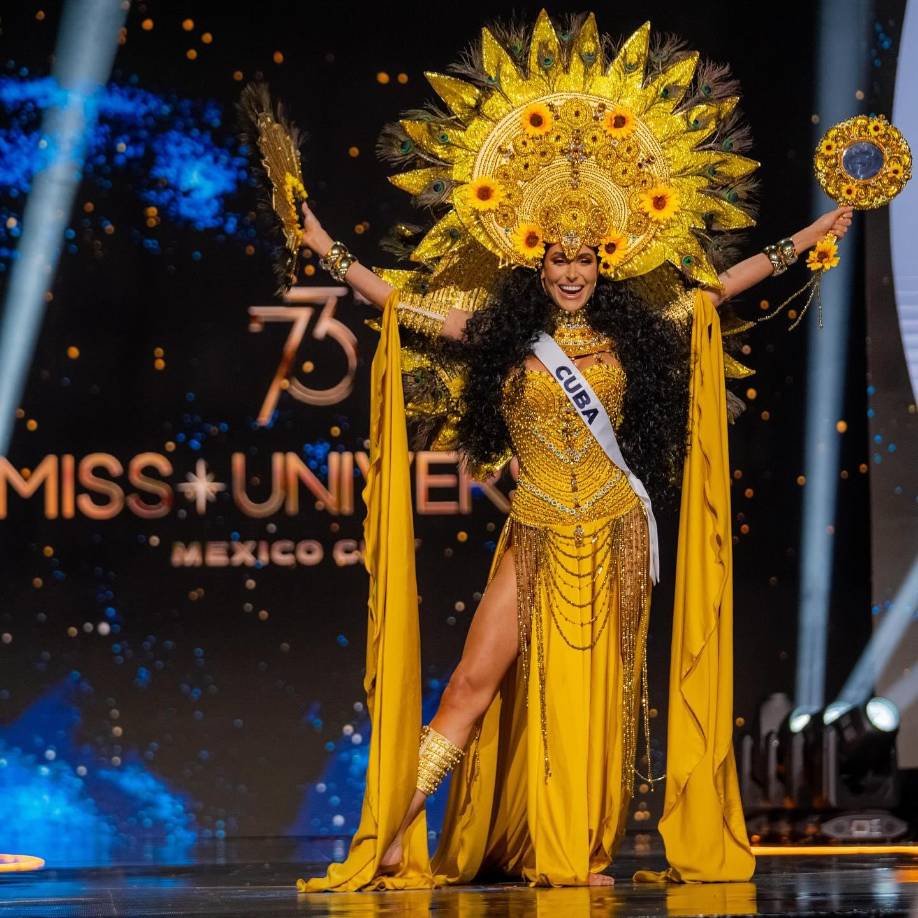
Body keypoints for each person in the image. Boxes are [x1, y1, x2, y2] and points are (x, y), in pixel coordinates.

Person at [294, 12, 853, 890]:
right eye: (558, 256)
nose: (572, 271)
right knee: (472, 685)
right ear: (533, 257)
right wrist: (324, 245)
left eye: (586, 257)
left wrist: (815, 234)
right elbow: (393, 301)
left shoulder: (639, 330)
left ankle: (582, 849)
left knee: (597, 704)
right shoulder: (497, 333)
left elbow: (722, 288)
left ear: (607, 259)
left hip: (619, 527)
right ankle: (393, 836)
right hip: (538, 527)